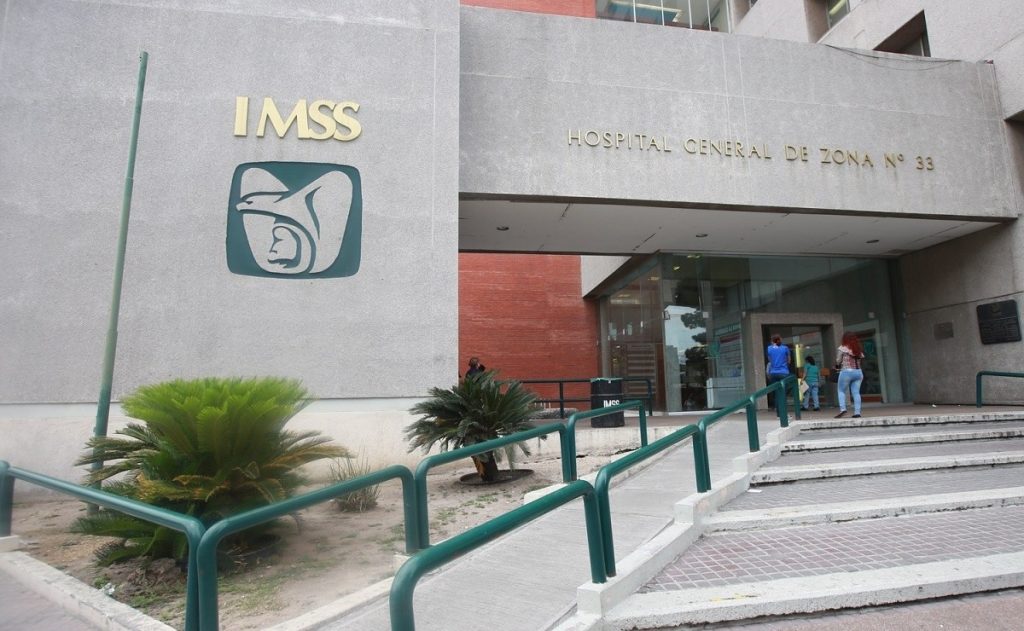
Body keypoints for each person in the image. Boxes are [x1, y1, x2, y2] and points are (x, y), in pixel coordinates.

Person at [835, 332, 866, 418]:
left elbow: (838, 360)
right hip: (858, 372)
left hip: (847, 371)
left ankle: (843, 409)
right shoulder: (858, 349)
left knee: (841, 391)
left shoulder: (843, 348)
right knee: (856, 393)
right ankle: (857, 413)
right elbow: (861, 360)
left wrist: (837, 365)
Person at [765, 335, 790, 414]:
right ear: (779, 340)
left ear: (772, 341)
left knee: (777, 394)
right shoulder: (785, 348)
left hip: (773, 373)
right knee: (783, 394)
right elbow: (789, 360)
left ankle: (779, 414)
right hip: (784, 373)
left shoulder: (769, 348)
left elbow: (770, 360)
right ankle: (784, 413)